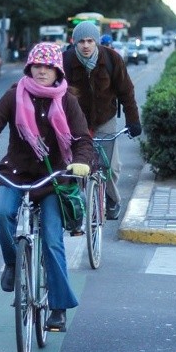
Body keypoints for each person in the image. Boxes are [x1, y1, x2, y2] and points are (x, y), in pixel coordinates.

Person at [0, 42, 94, 332]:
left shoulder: (67, 101)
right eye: (37, 66)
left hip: (53, 179)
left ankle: (58, 308)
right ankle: (12, 263)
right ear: (29, 68)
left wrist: (81, 162)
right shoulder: (14, 96)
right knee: (1, 213)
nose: (42, 71)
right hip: (16, 173)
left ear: (57, 70)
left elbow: (83, 139)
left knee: (51, 239)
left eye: (48, 66)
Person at [62, 21, 142, 220]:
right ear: (74, 43)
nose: (86, 45)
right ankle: (78, 203)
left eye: (90, 41)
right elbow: (56, 93)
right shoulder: (65, 60)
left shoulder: (112, 58)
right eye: (81, 41)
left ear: (96, 42)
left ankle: (112, 200)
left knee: (110, 167)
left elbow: (126, 91)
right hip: (75, 121)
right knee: (75, 165)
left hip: (105, 118)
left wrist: (133, 120)